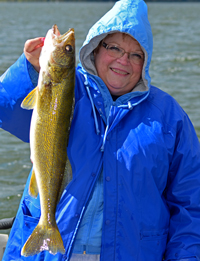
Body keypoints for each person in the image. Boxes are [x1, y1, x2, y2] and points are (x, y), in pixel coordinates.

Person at [1, 0, 200, 260]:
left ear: (145, 63)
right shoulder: (68, 89)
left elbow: (189, 203)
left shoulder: (169, 117)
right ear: (95, 49)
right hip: (48, 253)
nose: (123, 60)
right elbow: (7, 111)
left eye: (135, 54)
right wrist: (29, 68)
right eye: (114, 47)